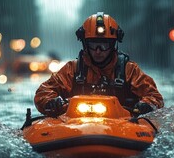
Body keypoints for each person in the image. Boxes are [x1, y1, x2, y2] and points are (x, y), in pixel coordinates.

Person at [34, 12, 164, 117]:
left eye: (104, 45)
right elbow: (43, 91)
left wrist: (145, 105)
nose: (98, 51)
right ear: (85, 44)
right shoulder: (72, 69)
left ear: (113, 45)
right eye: (93, 45)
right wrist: (51, 102)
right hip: (76, 124)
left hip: (122, 125)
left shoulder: (129, 70)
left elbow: (154, 96)